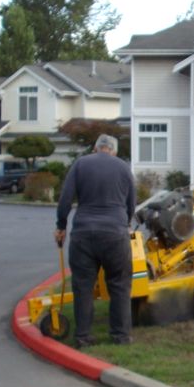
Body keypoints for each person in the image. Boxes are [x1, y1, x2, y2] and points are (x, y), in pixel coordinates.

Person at [54, 134, 137, 347]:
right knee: (119, 285)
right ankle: (120, 336)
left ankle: (83, 336)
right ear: (114, 151)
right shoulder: (123, 167)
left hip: (83, 234)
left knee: (83, 286)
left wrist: (61, 226)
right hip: (115, 234)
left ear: (95, 148)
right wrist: (125, 223)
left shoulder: (80, 164)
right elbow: (131, 203)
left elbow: (65, 199)